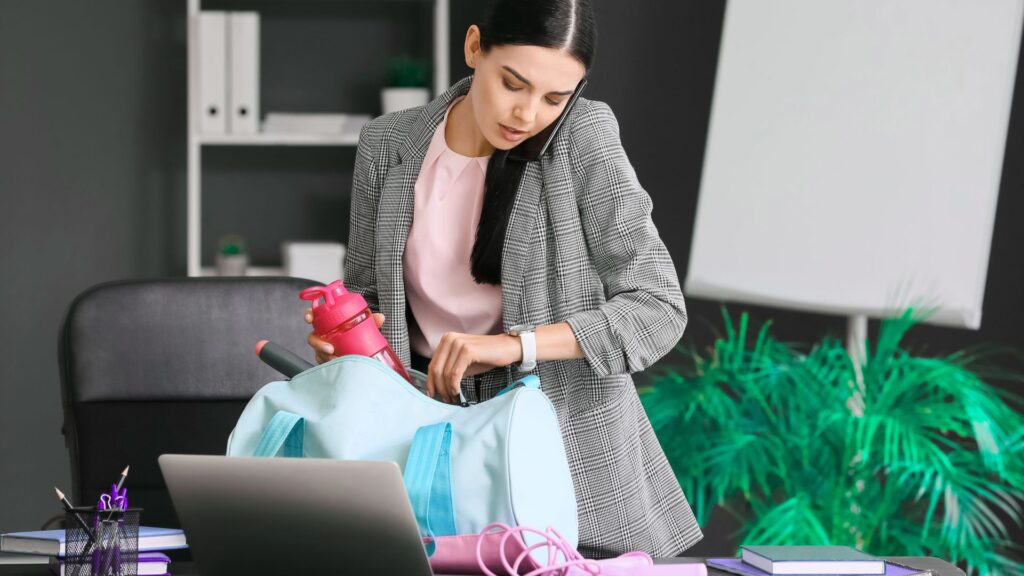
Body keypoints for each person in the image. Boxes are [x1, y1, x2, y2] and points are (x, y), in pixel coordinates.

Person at [303, 0, 703, 558]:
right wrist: (349, 341)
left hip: (565, 459)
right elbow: (372, 295)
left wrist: (513, 346)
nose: (528, 113)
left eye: (555, 98)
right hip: (426, 446)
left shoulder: (583, 137)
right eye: (513, 84)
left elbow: (658, 309)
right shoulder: (387, 145)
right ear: (474, 49)